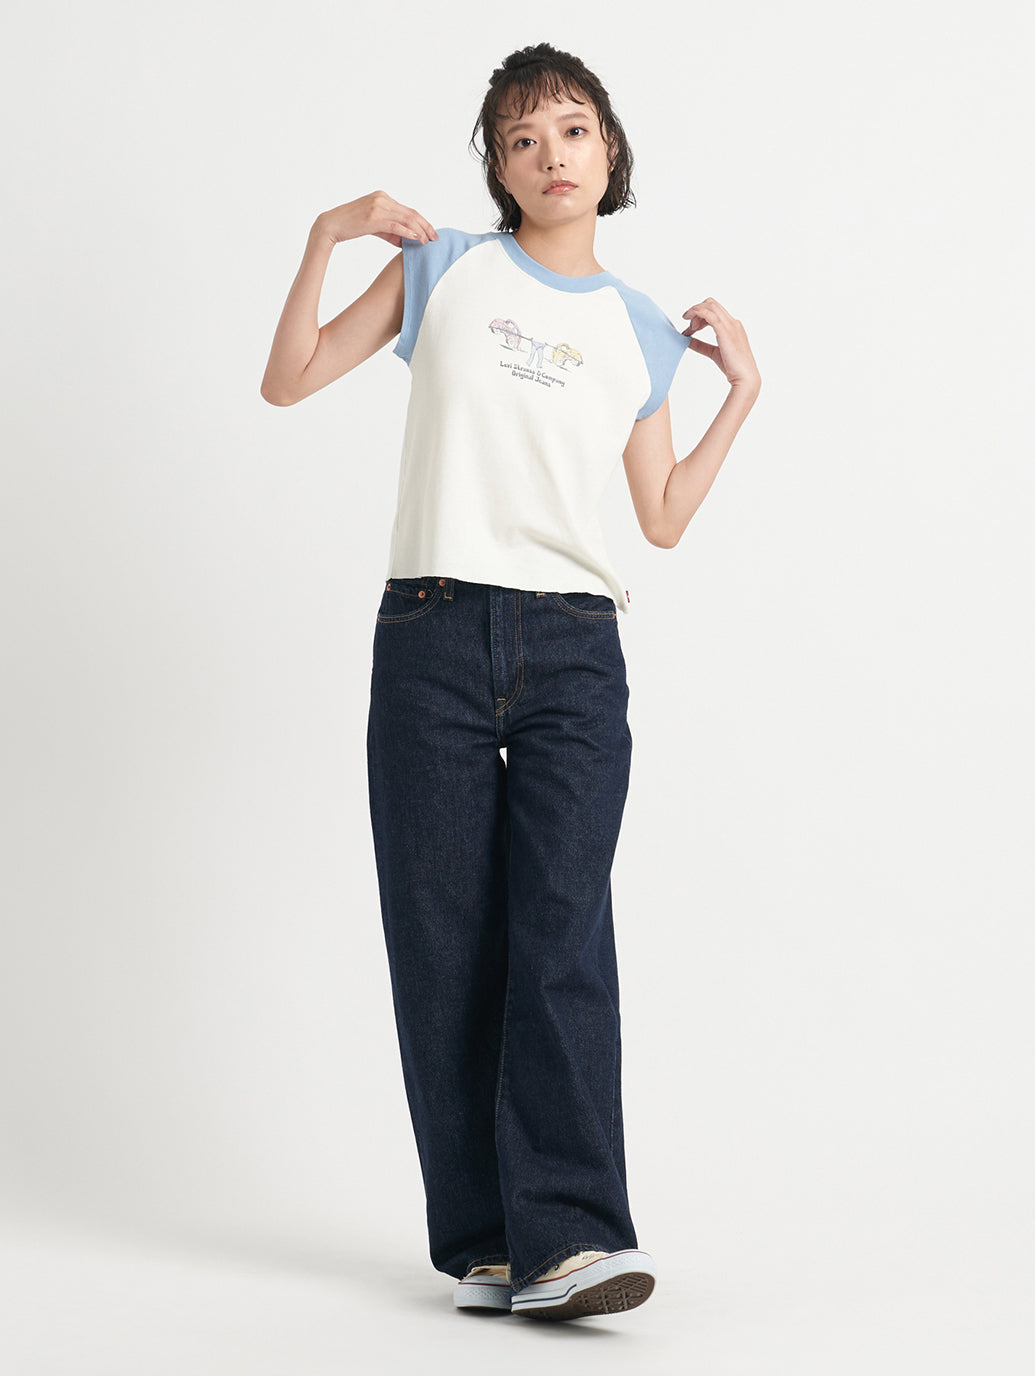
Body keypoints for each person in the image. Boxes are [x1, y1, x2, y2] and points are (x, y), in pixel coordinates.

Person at [261, 41, 760, 1321]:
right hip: (430, 634)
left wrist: (740, 396)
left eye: (573, 129)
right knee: (443, 942)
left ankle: (575, 1233)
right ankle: (490, 1243)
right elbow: (289, 377)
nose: (551, 154)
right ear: (498, 166)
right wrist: (326, 237)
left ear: (611, 151)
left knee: (560, 933)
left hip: (574, 652)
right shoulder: (442, 270)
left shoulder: (639, 329)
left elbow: (660, 516)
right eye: (522, 137)